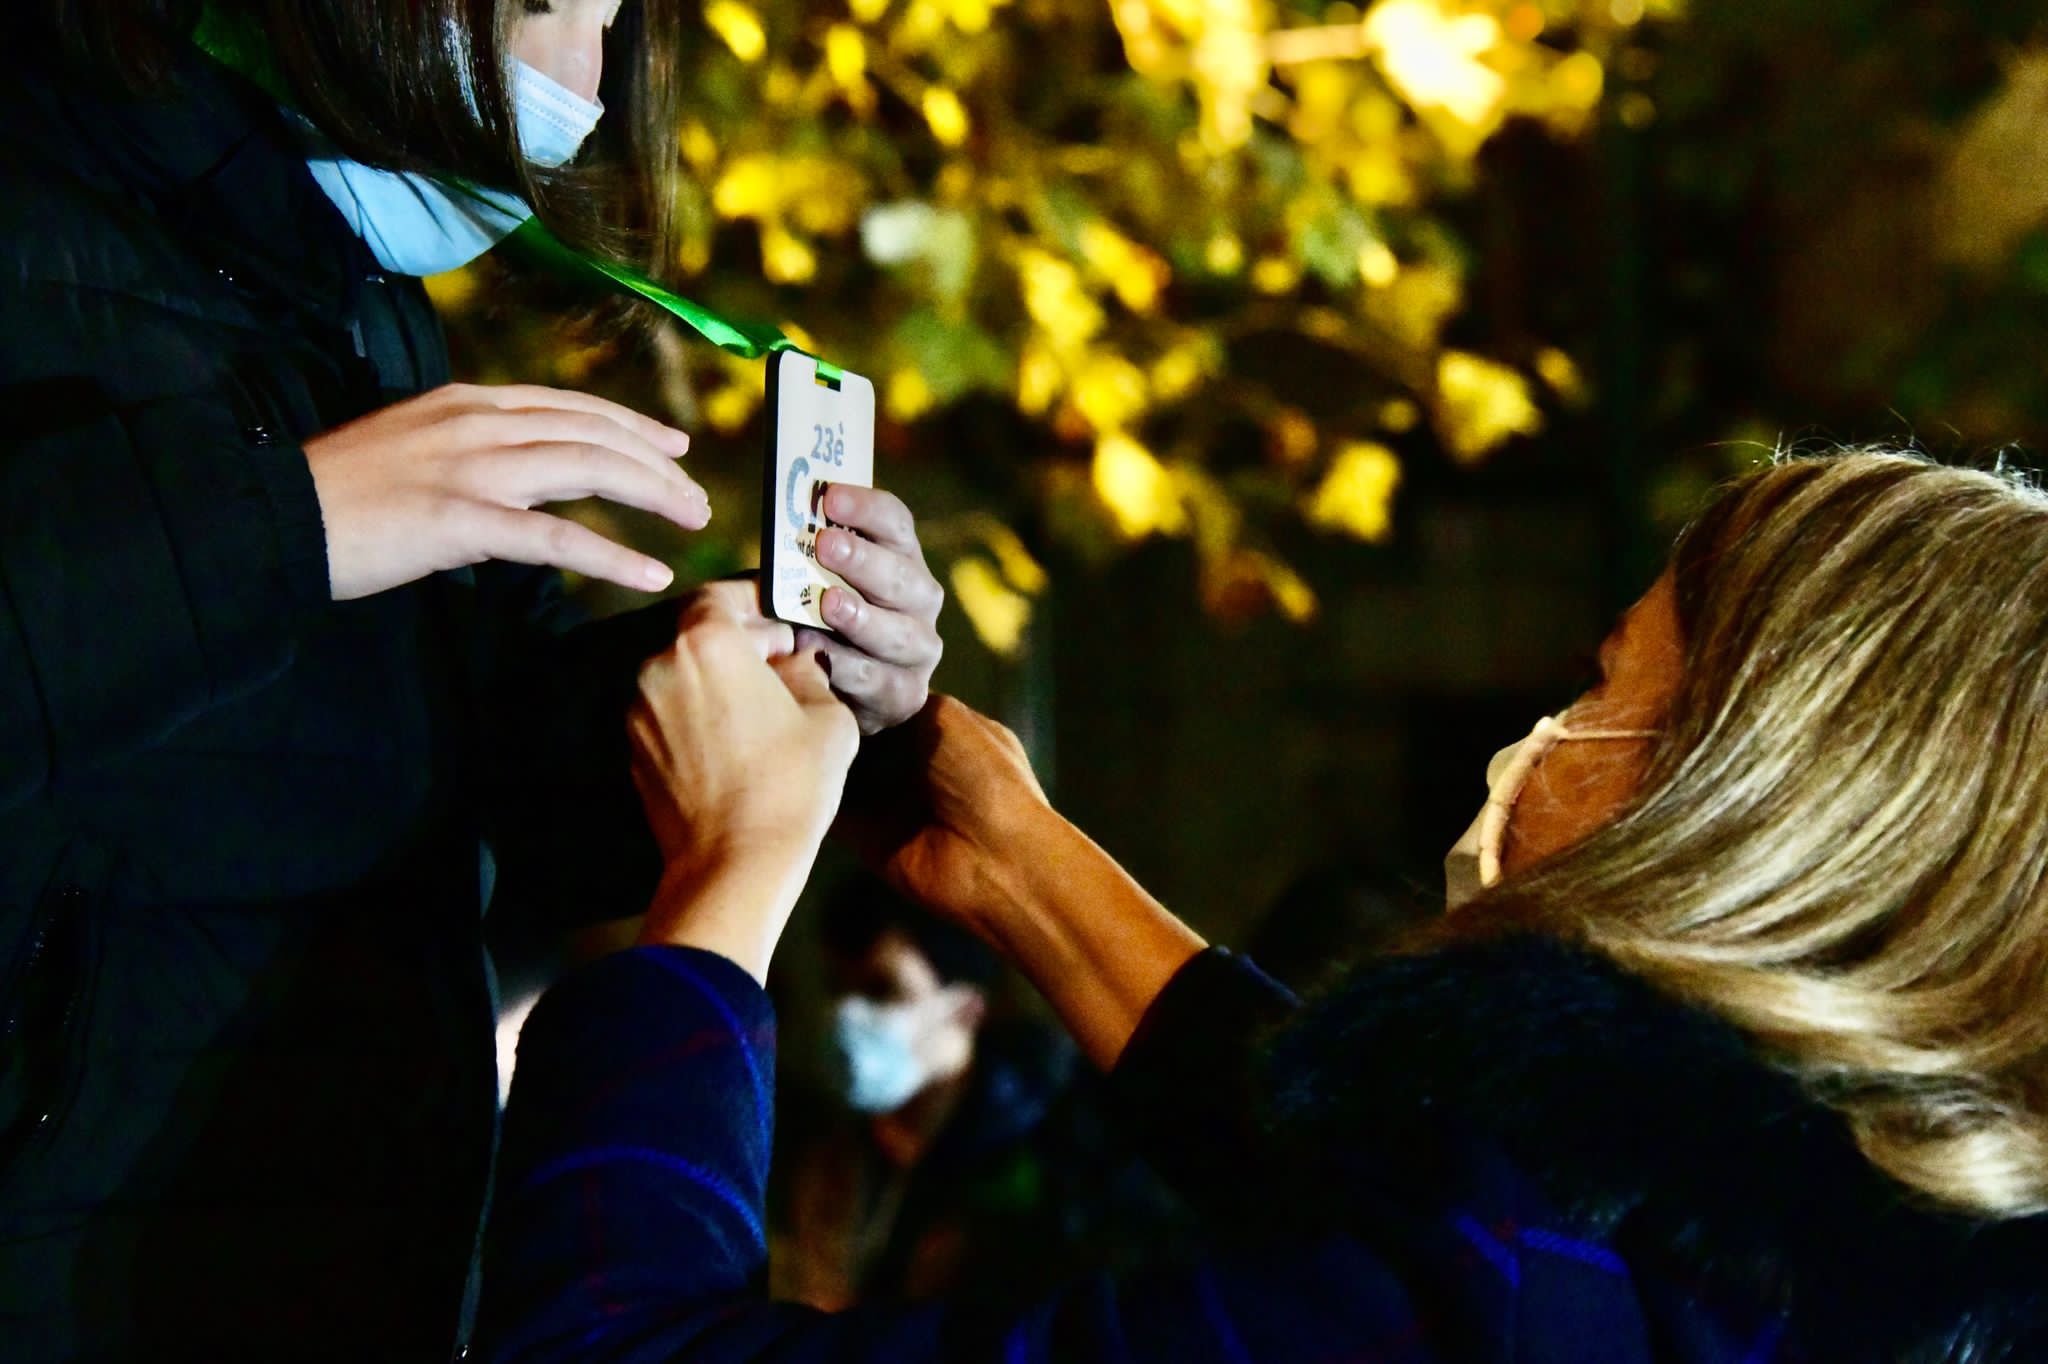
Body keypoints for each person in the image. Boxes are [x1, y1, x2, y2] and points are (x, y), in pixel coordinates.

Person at [481, 452, 2048, 1361]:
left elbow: (608, 1350)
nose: (1545, 735)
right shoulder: (1793, 1276)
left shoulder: (1484, 1310)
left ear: (1743, 797)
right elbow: (1376, 1165)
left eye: (1601, 689)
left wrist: (727, 873)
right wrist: (1010, 851)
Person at [0, 2, 943, 1357]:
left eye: (616, 22)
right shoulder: (40, 193)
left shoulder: (358, 304)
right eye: (557, 2)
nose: (587, 86)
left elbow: (443, 766)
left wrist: (750, 678)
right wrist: (287, 524)